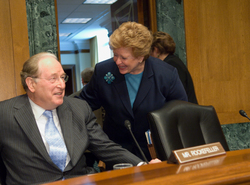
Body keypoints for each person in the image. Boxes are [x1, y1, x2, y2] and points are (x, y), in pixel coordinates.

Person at [0, 52, 159, 185]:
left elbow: (105, 147)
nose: (62, 85)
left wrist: (142, 165)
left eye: (63, 78)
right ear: (31, 84)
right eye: (53, 78)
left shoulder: (79, 108)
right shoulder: (0, 115)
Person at [79, 22, 188, 162]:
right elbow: (83, 104)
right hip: (117, 153)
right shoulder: (103, 71)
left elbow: (181, 114)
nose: (117, 61)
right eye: (115, 55)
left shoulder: (165, 74)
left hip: (155, 153)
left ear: (141, 56)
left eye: (123, 57)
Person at [151, 31, 198, 104]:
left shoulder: (170, 64)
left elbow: (177, 95)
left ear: (156, 50)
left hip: (184, 112)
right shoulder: (173, 61)